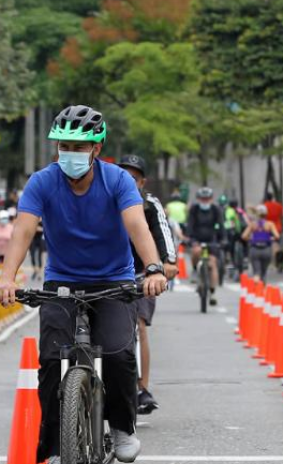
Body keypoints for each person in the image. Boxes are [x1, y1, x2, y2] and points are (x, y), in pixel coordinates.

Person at [0, 105, 168, 464]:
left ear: (96, 149)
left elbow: (137, 226)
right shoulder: (42, 181)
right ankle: (56, 446)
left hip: (113, 280)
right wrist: (7, 277)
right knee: (51, 362)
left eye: (79, 146)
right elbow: (23, 230)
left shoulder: (117, 180)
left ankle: (122, 427)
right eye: (64, 146)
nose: (70, 153)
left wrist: (152, 269)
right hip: (62, 280)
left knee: (119, 355)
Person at [117, 154, 178, 416]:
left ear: (143, 181)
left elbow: (163, 233)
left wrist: (168, 262)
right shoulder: (105, 200)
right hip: (107, 275)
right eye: (124, 176)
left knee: (138, 326)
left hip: (143, 275)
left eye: (134, 178)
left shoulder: (150, 204)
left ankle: (141, 388)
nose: (129, 182)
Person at [187, 187, 225, 304]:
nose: (205, 201)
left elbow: (221, 226)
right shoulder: (194, 209)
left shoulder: (215, 210)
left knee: (212, 263)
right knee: (196, 251)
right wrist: (190, 239)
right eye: (202, 199)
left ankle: (212, 291)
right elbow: (190, 226)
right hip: (197, 239)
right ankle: (194, 270)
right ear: (198, 199)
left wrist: (223, 239)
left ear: (211, 199)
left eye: (207, 198)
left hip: (212, 241)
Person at [242, 205, 280, 282]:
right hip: (266, 249)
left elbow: (244, 236)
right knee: (264, 272)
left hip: (254, 249)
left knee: (256, 272)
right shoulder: (270, 224)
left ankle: (257, 289)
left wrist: (251, 239)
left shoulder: (253, 224)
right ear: (266, 214)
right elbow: (277, 236)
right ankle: (263, 288)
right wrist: (270, 238)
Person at [224, 198, 247, 278]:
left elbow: (228, 220)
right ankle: (245, 257)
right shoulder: (240, 210)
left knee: (230, 247)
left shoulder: (229, 211)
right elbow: (246, 220)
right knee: (244, 243)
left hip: (232, 231)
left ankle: (232, 261)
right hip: (241, 231)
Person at [263, 192, 283, 272]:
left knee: (270, 246)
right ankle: (279, 259)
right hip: (277, 227)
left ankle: (275, 262)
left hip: (267, 227)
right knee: (276, 244)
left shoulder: (264, 206)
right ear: (272, 197)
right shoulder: (279, 205)